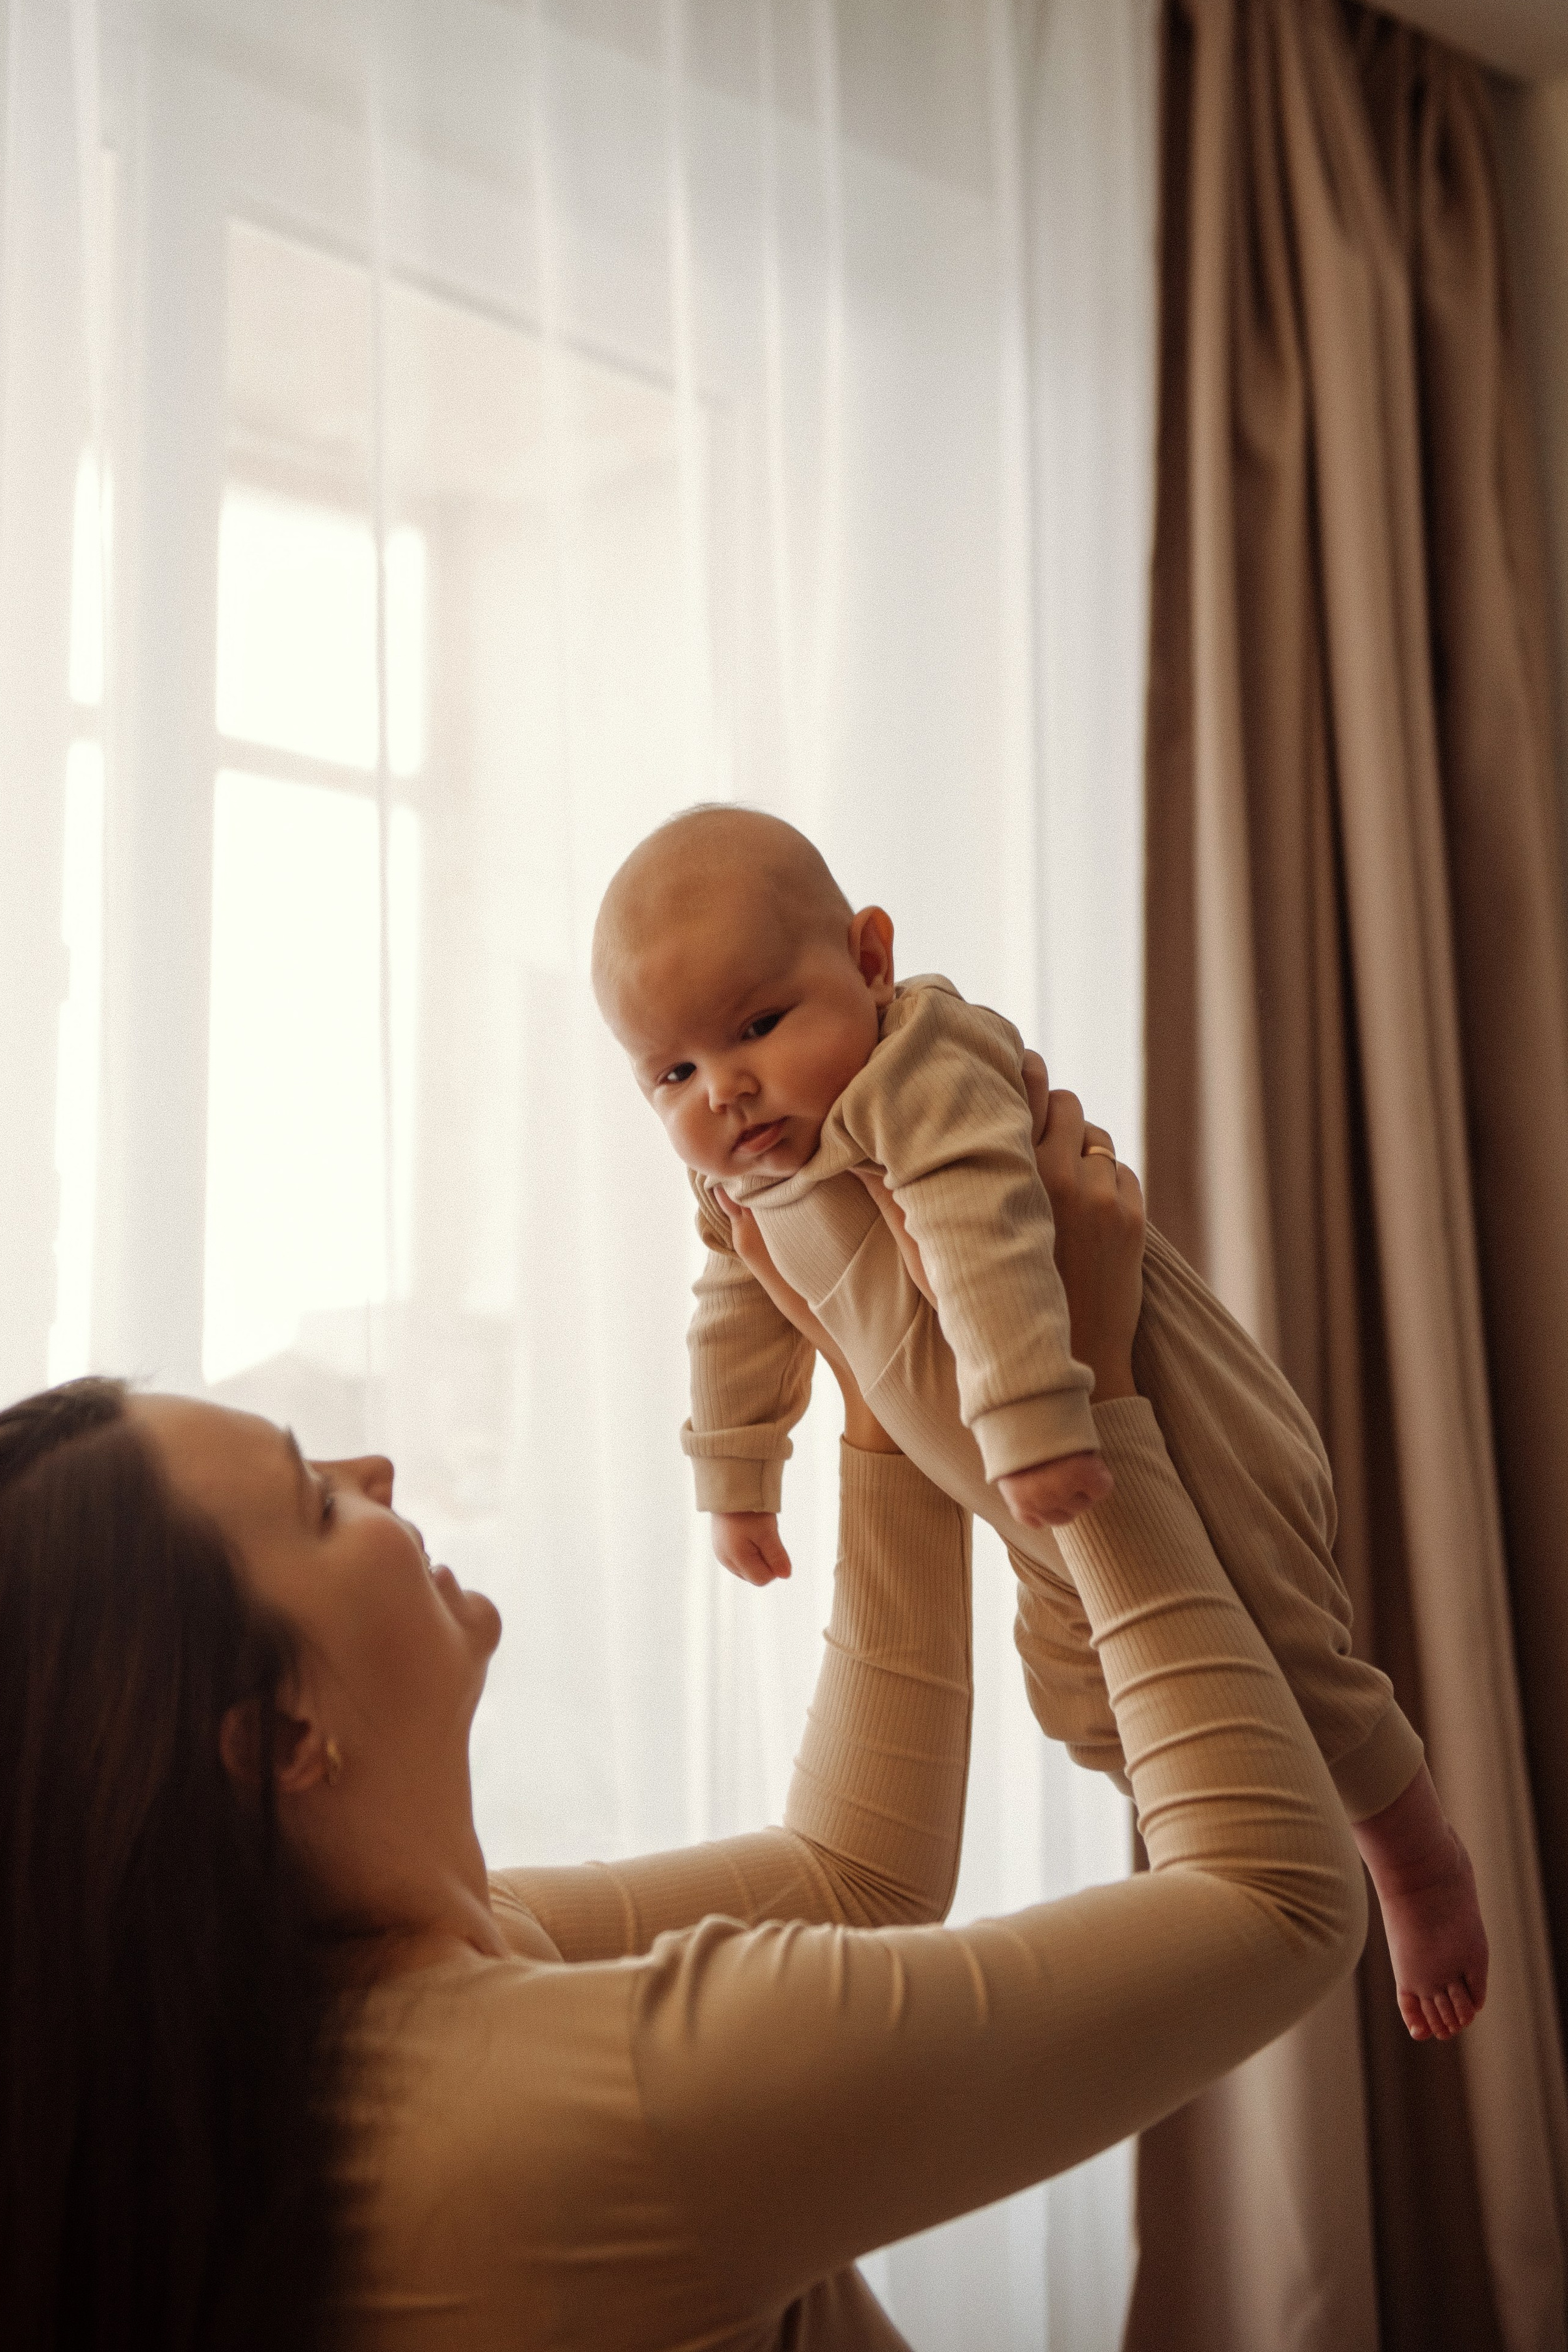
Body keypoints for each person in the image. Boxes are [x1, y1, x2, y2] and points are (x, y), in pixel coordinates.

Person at [0, 1071, 1368, 2352]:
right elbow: (1276, 1901)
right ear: (281, 1740)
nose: (379, 1472)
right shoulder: (578, 2103)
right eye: (313, 1497)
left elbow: (850, 1879)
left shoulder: (354, 2009)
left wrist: (875, 1384)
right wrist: (1092, 1395)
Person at [591, 804, 1488, 2044]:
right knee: (1075, 1698)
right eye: (674, 1073)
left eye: (757, 1026)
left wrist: (1026, 1411)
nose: (725, 1089)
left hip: (1155, 1416)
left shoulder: (918, 1064)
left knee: (1287, 1641)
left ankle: (1415, 1857)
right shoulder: (738, 1171)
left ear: (867, 959)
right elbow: (738, 1306)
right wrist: (736, 1472)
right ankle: (1246, 1777)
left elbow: (981, 1233)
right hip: (1020, 1480)